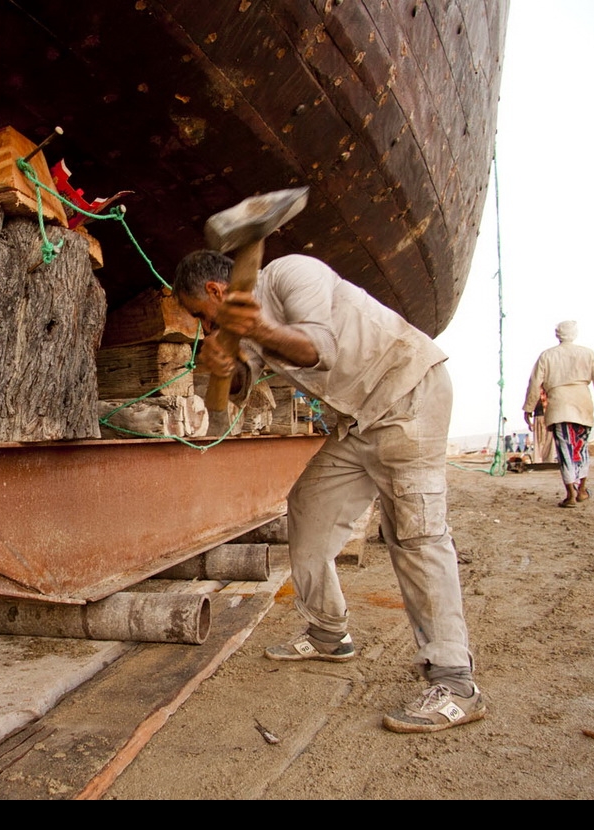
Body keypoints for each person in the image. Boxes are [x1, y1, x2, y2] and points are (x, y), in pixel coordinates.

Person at [174, 250, 483, 734]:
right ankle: (327, 632)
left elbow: (318, 349)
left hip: (408, 394)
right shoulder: (242, 331)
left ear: (215, 292)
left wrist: (249, 330)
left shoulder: (292, 273)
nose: (200, 326)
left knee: (415, 536)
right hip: (356, 422)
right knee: (308, 507)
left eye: (198, 315)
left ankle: (455, 681)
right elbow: (240, 382)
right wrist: (221, 365)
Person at [522, 321, 594, 507]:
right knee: (580, 449)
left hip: (559, 407)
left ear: (558, 334)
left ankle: (570, 495)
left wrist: (528, 408)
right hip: (582, 405)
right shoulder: (587, 353)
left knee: (565, 451)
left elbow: (534, 383)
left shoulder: (547, 356)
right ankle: (581, 490)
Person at [531, 387, 557, 463]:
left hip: (548, 415)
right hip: (542, 415)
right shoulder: (548, 387)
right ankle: (543, 460)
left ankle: (544, 460)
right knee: (542, 440)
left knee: (546, 440)